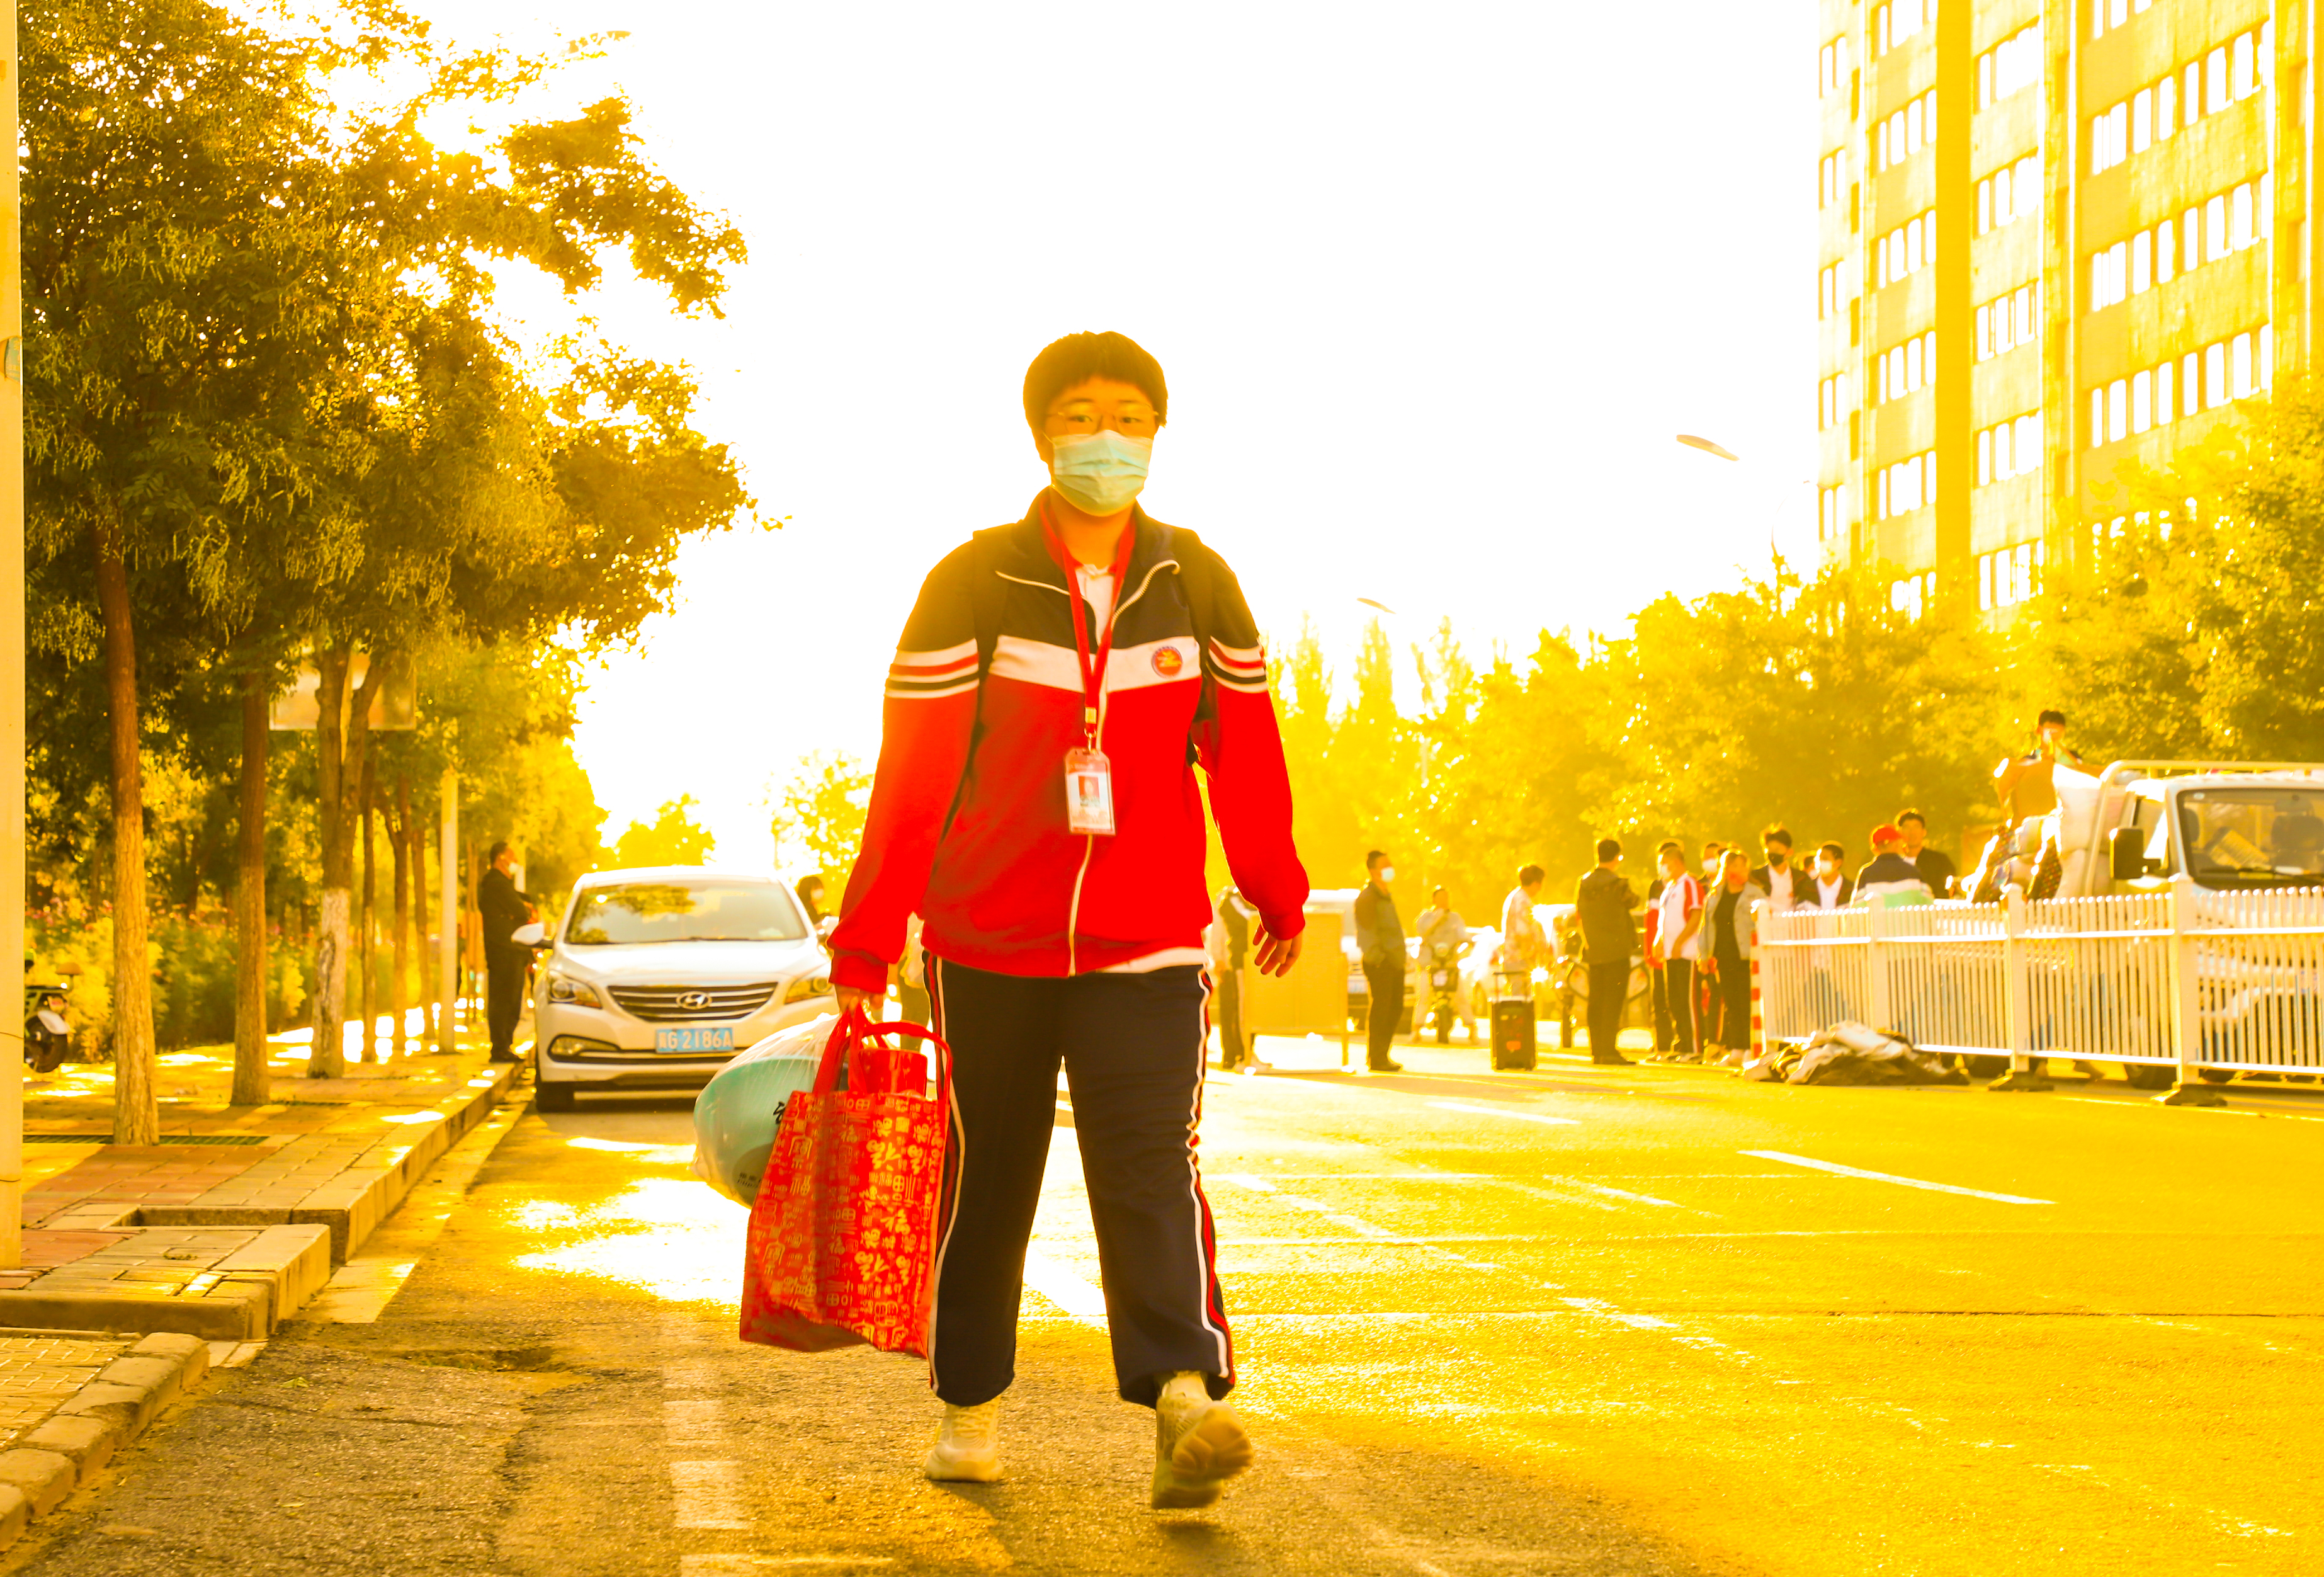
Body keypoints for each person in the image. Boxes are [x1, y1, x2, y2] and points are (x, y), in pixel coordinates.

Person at [827, 331, 1308, 1508]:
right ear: (1044, 434)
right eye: (1085, 415)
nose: (1109, 436)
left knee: (1148, 1164)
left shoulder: (1194, 580)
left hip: (1146, 939)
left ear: (1157, 433)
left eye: (1132, 416)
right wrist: (868, 932)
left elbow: (1242, 746)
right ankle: (971, 1402)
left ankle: (1183, 1394)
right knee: (993, 1171)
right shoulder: (974, 580)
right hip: (990, 936)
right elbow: (916, 770)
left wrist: (1273, 880)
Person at [1574, 838, 1638, 1066]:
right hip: (1617, 949)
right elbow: (1633, 902)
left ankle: (1597, 1050)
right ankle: (1609, 1050)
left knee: (1596, 1000)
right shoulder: (1618, 883)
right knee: (1613, 1001)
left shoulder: (1584, 883)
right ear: (1617, 857)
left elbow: (1579, 913)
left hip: (1594, 949)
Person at [1699, 851, 1766, 1061]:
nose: (1741, 871)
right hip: (1723, 955)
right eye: (1736, 866)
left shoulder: (1756, 894)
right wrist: (1703, 955)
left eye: (1744, 866)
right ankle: (1737, 1048)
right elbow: (1706, 927)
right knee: (1730, 1002)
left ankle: (1749, 1048)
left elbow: (1765, 922)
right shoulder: (1715, 895)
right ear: (1726, 869)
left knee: (1746, 1001)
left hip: (1747, 956)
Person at [477, 841, 538, 1065]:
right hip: (505, 951)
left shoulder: (500, 885)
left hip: (509, 951)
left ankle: (505, 1046)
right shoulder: (496, 884)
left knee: (510, 999)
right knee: (504, 1000)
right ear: (501, 858)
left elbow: (520, 911)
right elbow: (521, 911)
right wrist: (518, 913)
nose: (515, 863)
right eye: (512, 857)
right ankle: (501, 1047)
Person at [1645, 843, 1703, 1062]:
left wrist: (1680, 942)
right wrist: (1659, 941)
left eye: (1664, 863)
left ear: (1676, 863)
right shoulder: (1669, 888)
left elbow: (1696, 915)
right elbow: (1663, 920)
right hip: (1670, 953)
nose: (1661, 868)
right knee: (1674, 1000)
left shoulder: (1690, 884)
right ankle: (1682, 1044)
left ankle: (1695, 1048)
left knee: (1687, 1001)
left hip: (1686, 952)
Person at [1353, 850, 1406, 1073]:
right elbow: (1367, 933)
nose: (1390, 868)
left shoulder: (1386, 896)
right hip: (1380, 962)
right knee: (1381, 1009)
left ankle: (1383, 1054)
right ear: (1374, 871)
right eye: (1385, 865)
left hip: (1395, 962)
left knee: (1395, 1008)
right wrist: (1379, 958)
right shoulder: (1368, 897)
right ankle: (1376, 1057)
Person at [1209, 888, 1269, 1072]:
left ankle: (1242, 1053)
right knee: (1238, 1011)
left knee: (1244, 1010)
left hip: (1247, 962)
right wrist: (1219, 959)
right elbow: (1219, 931)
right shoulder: (1231, 900)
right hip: (1233, 963)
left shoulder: (1250, 898)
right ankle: (1239, 1055)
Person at [1994, 709, 2087, 823]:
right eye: (2050, 731)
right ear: (2039, 730)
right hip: (2033, 818)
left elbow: (2081, 776)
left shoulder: (2073, 758)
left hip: (2067, 816)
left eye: (2059, 731)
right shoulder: (2026, 761)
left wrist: (2059, 756)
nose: (2054, 736)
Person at [1414, 885, 1477, 1043]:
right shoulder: (1426, 917)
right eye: (1440, 898)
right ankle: (1416, 1030)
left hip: (1450, 964)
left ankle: (1472, 1030)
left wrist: (1468, 941)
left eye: (1446, 898)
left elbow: (1462, 932)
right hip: (1430, 964)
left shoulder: (1455, 918)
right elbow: (1423, 932)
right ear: (1433, 900)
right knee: (1424, 996)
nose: (1444, 901)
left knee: (1461, 996)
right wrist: (1437, 917)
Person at [1496, 865, 1548, 986]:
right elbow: (1523, 933)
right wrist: (1537, 953)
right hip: (1519, 960)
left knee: (1522, 999)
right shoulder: (1522, 901)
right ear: (1536, 883)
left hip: (1516, 958)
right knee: (1521, 1000)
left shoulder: (1517, 897)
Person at [1855, 824, 1933, 902]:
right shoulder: (1912, 871)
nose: (1904, 845)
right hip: (1909, 915)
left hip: (1879, 915)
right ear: (1896, 844)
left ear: (1875, 849)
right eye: (1901, 842)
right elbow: (1928, 903)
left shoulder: (1866, 873)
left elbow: (1857, 907)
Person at [1749, 826, 1817, 913]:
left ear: (1789, 852)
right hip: (1765, 925)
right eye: (1769, 849)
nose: (1773, 853)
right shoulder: (1756, 877)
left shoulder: (1801, 878)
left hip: (1792, 924)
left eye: (1777, 849)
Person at [1895, 810, 1958, 898]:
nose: (1912, 832)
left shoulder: (1940, 861)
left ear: (1924, 832)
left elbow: (1950, 890)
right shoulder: (1893, 863)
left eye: (1916, 827)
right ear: (1899, 832)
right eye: (1906, 827)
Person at [1808, 842, 1854, 909]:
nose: (1820, 862)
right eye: (1818, 859)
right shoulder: (1807, 889)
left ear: (1838, 863)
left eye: (1825, 859)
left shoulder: (1851, 890)